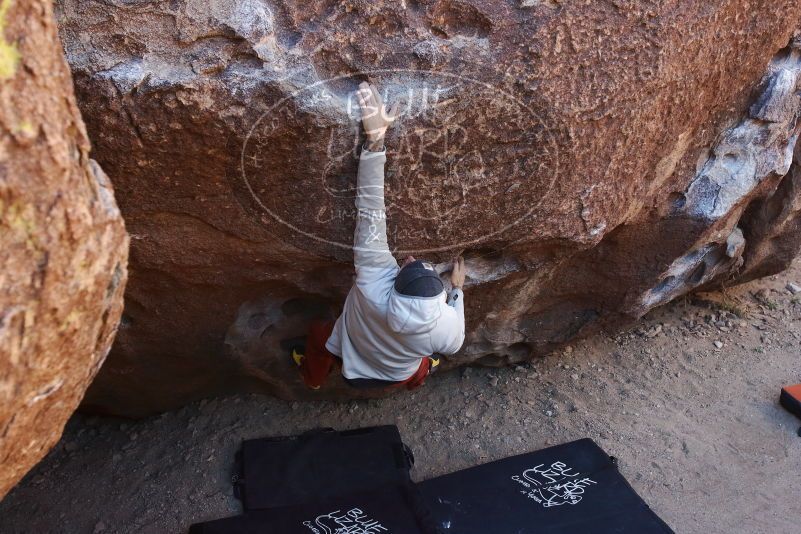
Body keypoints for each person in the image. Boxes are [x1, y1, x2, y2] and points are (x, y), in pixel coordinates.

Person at [292, 82, 466, 390]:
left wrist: (375, 141)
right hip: (398, 374)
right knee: (422, 365)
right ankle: (421, 376)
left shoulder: (374, 282)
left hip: (355, 361)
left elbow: (371, 209)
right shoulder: (447, 332)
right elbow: (455, 320)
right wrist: (456, 290)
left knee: (321, 336)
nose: (410, 258)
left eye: (409, 266)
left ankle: (313, 378)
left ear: (396, 288)